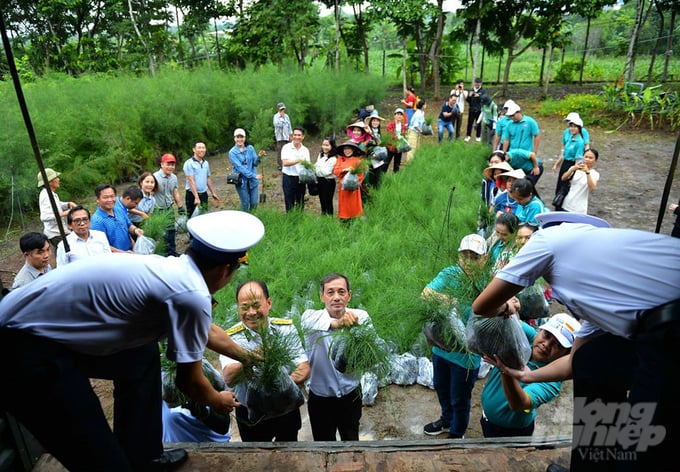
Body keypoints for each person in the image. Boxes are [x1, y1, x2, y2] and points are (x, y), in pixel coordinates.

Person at [0, 210, 265, 472]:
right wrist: (217, 400)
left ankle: (144, 456)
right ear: (224, 271)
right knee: (103, 460)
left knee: (141, 355)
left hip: (45, 330)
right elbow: (190, 382)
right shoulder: (191, 293)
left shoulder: (173, 269)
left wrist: (247, 356)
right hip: (21, 346)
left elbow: (205, 331)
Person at [471, 211, 680, 472]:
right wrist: (524, 375)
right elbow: (575, 363)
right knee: (593, 362)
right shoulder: (601, 298)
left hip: (671, 330)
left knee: (641, 445)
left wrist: (505, 306)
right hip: (659, 327)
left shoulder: (550, 239)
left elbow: (481, 306)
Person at [220, 280, 310, 442]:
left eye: (256, 305)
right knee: (257, 457)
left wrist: (281, 385)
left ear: (268, 303)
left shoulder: (285, 329)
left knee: (290, 450)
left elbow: (303, 366)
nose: (251, 312)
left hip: (285, 406)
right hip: (251, 412)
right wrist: (251, 357)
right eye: (245, 307)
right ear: (238, 307)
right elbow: (229, 377)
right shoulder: (230, 338)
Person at [421, 234, 486, 439]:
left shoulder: (487, 282)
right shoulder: (450, 273)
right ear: (458, 256)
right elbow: (426, 293)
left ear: (484, 259)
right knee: (441, 387)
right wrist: (449, 299)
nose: (468, 261)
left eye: (474, 257)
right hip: (442, 348)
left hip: (467, 356)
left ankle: (457, 433)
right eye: (464, 256)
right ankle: (446, 420)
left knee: (460, 398)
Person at [479, 313, 581, 438]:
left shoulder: (552, 381)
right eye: (546, 335)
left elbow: (520, 403)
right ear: (540, 330)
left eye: (558, 345)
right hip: (486, 418)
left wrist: (505, 370)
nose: (546, 344)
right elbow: (503, 318)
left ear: (566, 354)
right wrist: (508, 308)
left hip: (511, 433)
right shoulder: (527, 337)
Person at [301, 273, 373, 441]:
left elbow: (371, 350)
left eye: (341, 292)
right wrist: (339, 324)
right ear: (322, 296)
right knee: (324, 443)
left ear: (349, 295)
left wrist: (357, 331)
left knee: (351, 439)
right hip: (320, 398)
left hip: (351, 394)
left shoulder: (361, 317)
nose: (336, 297)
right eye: (330, 292)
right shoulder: (310, 317)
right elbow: (316, 324)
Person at [90, 184, 144, 253]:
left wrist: (135, 230)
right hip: (115, 258)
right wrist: (123, 253)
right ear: (97, 199)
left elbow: (128, 225)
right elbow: (101, 246)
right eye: (105, 197)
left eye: (112, 196)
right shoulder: (97, 221)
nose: (110, 200)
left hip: (130, 251)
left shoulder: (118, 210)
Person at [552, 113, 590, 210]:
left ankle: (561, 209)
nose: (572, 128)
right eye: (571, 126)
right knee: (560, 186)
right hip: (565, 164)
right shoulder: (570, 138)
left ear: (579, 128)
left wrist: (575, 170)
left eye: (574, 127)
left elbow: (579, 157)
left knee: (565, 188)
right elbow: (563, 152)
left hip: (572, 165)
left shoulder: (579, 141)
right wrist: (556, 164)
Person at [501, 102, 543, 187]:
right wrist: (503, 153)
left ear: (518, 112)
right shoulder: (509, 124)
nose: (512, 118)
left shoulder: (530, 121)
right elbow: (506, 139)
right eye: (510, 116)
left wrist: (535, 151)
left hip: (527, 153)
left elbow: (537, 135)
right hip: (513, 154)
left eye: (513, 115)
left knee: (527, 179)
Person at [37, 168, 76, 254]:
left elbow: (56, 205)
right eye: (56, 177)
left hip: (59, 231)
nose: (58, 179)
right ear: (50, 182)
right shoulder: (46, 196)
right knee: (70, 250)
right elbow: (44, 217)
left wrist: (68, 204)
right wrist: (64, 213)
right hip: (55, 233)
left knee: (62, 252)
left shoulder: (51, 193)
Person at [154, 153, 184, 257]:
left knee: (171, 232)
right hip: (158, 210)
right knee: (163, 235)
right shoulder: (155, 177)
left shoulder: (174, 178)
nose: (170, 167)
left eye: (173, 165)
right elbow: (150, 194)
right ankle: (163, 254)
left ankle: (172, 253)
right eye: (168, 164)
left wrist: (180, 206)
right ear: (162, 164)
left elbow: (175, 192)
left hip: (169, 208)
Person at [229, 128, 262, 213]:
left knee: (254, 203)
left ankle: (253, 218)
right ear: (234, 138)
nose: (239, 139)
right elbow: (240, 168)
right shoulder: (232, 152)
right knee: (245, 203)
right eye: (237, 137)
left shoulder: (250, 148)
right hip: (241, 181)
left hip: (253, 181)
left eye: (241, 137)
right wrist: (253, 175)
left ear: (245, 138)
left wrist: (259, 157)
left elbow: (255, 163)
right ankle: (244, 221)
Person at [183, 141, 220, 217]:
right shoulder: (189, 163)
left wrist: (213, 192)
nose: (202, 150)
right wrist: (196, 197)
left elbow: (208, 178)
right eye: (199, 148)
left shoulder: (206, 163)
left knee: (204, 215)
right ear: (194, 149)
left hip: (203, 194)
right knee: (191, 216)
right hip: (191, 195)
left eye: (203, 148)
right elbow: (191, 180)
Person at [333, 141, 366, 222]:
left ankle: (355, 219)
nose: (347, 151)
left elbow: (361, 174)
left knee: (354, 204)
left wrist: (355, 180)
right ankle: (344, 219)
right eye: (345, 149)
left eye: (349, 149)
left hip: (354, 188)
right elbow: (335, 171)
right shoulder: (340, 159)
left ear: (353, 150)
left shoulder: (357, 160)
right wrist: (344, 170)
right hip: (343, 187)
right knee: (344, 204)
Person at [281, 127, 311, 212]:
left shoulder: (305, 150)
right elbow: (285, 163)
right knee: (289, 201)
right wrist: (298, 160)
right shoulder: (286, 147)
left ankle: (299, 221)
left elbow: (307, 165)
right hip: (288, 178)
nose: (297, 137)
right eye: (295, 135)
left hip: (301, 179)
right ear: (292, 136)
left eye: (299, 135)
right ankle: (290, 220)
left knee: (300, 202)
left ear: (303, 137)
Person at [561, 147, 599, 214]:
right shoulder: (575, 168)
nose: (587, 159)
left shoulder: (594, 174)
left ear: (595, 160)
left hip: (580, 208)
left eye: (590, 158)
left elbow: (592, 187)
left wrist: (587, 172)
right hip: (567, 203)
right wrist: (572, 169)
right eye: (586, 157)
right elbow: (563, 178)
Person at [314, 137, 337, 216]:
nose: (324, 147)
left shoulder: (333, 158)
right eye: (323, 145)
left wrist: (316, 169)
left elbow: (326, 172)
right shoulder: (321, 155)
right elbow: (316, 165)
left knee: (328, 201)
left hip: (328, 182)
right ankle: (323, 217)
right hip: (320, 181)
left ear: (332, 146)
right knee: (322, 201)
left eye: (327, 145)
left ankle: (330, 218)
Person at [385, 108, 409, 173]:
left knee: (397, 165)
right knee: (386, 163)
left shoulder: (403, 126)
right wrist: (398, 137)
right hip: (391, 147)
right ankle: (382, 177)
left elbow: (404, 135)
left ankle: (395, 179)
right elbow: (389, 135)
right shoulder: (390, 125)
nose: (399, 116)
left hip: (399, 148)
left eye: (401, 115)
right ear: (394, 115)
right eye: (398, 114)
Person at [465, 77, 486, 142]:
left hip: (479, 109)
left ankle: (478, 136)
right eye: (476, 83)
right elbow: (468, 100)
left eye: (478, 84)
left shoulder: (483, 91)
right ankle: (468, 135)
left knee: (478, 123)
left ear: (481, 84)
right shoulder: (471, 90)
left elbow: (485, 99)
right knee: (470, 122)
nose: (477, 85)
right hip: (472, 109)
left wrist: (479, 96)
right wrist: (469, 96)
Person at [273, 102, 292, 171]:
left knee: (288, 150)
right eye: (281, 109)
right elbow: (277, 125)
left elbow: (289, 126)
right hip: (280, 137)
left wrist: (291, 135)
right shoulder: (276, 117)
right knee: (280, 151)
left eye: (283, 109)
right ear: (278, 110)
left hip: (286, 136)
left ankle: (287, 163)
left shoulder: (286, 116)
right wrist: (281, 118)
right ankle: (280, 165)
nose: (283, 110)